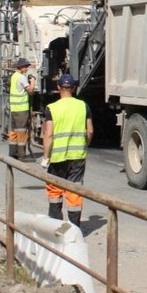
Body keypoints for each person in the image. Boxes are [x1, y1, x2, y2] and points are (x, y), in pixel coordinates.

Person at [41, 73, 93, 227]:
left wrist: (45, 157)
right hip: (77, 156)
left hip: (57, 158)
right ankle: (74, 230)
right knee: (75, 192)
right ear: (74, 88)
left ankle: (56, 227)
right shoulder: (83, 106)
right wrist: (85, 145)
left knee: (55, 192)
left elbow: (48, 134)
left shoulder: (52, 108)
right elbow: (89, 131)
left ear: (58, 88)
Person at [8, 58, 36, 159]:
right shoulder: (21, 77)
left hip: (14, 108)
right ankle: (22, 155)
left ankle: (13, 152)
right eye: (26, 66)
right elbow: (31, 91)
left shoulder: (14, 76)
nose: (27, 68)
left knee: (14, 132)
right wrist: (32, 81)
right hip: (21, 109)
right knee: (22, 132)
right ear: (21, 67)